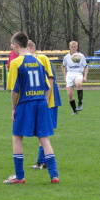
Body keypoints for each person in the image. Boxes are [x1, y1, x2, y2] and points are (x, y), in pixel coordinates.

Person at [4, 32, 59, 184]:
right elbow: (48, 86)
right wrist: (45, 102)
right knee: (44, 138)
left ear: (16, 45)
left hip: (25, 103)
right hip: (41, 103)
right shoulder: (39, 61)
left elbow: (14, 90)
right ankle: (54, 175)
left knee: (17, 137)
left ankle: (19, 176)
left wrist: (13, 109)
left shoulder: (16, 63)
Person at [26, 40, 62, 169]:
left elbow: (51, 79)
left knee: (44, 132)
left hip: (49, 102)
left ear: (32, 49)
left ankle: (42, 161)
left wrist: (47, 99)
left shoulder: (42, 58)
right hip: (41, 101)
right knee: (42, 132)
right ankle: (42, 161)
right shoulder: (27, 62)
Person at [62, 41, 88, 115]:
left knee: (78, 83)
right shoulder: (66, 57)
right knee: (70, 94)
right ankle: (74, 111)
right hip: (69, 74)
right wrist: (64, 76)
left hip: (78, 73)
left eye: (75, 47)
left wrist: (85, 76)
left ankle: (80, 103)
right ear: (69, 47)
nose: (73, 48)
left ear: (77, 47)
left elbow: (86, 67)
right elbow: (63, 66)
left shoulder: (81, 56)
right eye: (72, 47)